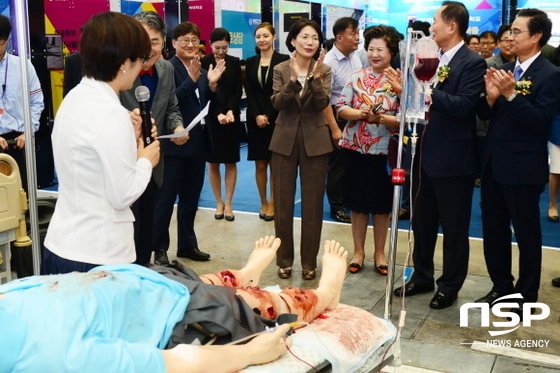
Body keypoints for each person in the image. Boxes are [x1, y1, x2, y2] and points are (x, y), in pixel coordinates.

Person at [0, 236, 348, 372]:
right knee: (255, 303)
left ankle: (245, 272)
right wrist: (252, 352)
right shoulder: (58, 358)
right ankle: (328, 293)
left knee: (201, 279)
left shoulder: (6, 300)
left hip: (133, 281)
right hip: (178, 315)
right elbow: (181, 363)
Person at [41, 12, 160, 274]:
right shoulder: (110, 112)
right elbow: (123, 194)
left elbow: (89, 161)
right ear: (122, 64)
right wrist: (145, 161)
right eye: (140, 59)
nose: (142, 66)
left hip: (63, 241)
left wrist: (130, 138)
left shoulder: (75, 98)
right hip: (98, 253)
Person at [393, 1, 486, 309]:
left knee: (455, 227)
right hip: (421, 151)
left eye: (435, 21)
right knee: (422, 222)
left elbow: (464, 105)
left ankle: (450, 284)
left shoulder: (472, 62)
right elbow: (417, 100)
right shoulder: (428, 57)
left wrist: (429, 88)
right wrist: (404, 89)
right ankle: (421, 275)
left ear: (451, 26)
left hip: (453, 158)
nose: (430, 27)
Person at [475, 9, 560, 319]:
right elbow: (485, 116)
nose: (510, 37)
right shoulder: (505, 68)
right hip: (493, 164)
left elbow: (539, 121)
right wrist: (490, 97)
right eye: (509, 31)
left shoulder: (551, 74)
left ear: (536, 36)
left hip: (523, 168)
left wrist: (511, 95)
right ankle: (500, 287)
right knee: (493, 230)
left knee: (527, 234)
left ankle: (526, 295)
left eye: (517, 31)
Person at [151, 22, 224, 265]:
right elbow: (169, 102)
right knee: (165, 200)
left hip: (197, 144)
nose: (191, 45)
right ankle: (159, 248)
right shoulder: (167, 69)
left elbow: (206, 103)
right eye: (185, 40)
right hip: (173, 146)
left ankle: (187, 245)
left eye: (195, 40)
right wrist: (191, 80)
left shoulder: (202, 69)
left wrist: (211, 85)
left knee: (190, 200)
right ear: (173, 43)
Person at [119, 11, 189, 266]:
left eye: (155, 41)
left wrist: (179, 127)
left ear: (164, 41)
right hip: (123, 162)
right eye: (142, 40)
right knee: (127, 227)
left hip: (154, 162)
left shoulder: (166, 68)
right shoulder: (119, 69)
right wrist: (130, 119)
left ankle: (143, 268)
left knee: (150, 222)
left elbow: (170, 106)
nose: (149, 48)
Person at [270, 19, 333, 281]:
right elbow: (277, 103)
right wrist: (294, 80)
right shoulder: (281, 68)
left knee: (312, 205)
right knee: (283, 204)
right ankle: (284, 261)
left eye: (315, 38)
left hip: (316, 142)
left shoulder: (325, 70)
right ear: (293, 41)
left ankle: (309, 263)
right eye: (305, 37)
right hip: (284, 141)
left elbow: (322, 103)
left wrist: (314, 79)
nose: (310, 42)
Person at [336, 25, 400, 275]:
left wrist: (381, 119)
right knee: (358, 203)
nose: (375, 54)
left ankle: (380, 253)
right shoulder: (356, 77)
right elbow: (341, 107)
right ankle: (359, 251)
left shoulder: (399, 81)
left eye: (380, 49)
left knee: (382, 205)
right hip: (355, 149)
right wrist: (360, 114)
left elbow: (405, 117)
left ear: (391, 51)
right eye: (371, 48)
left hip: (385, 152)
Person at [245, 23, 289, 222]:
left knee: (275, 164)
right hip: (255, 119)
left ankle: (273, 202)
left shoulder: (283, 60)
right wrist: (257, 115)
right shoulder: (251, 61)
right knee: (259, 164)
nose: (261, 39)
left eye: (265, 36)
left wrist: (268, 115)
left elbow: (282, 91)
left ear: (273, 38)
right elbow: (250, 91)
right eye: (258, 36)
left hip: (277, 118)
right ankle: (263, 201)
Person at [201, 28, 243, 222]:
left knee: (230, 161)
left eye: (224, 48)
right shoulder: (203, 63)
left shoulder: (234, 62)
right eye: (217, 48)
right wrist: (217, 112)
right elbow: (203, 93)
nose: (220, 51)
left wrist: (230, 110)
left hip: (231, 118)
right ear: (210, 44)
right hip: (212, 119)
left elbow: (237, 91)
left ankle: (229, 203)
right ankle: (218, 202)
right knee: (213, 162)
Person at [323, 17, 361, 224]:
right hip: (337, 118)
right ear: (339, 37)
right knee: (336, 165)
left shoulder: (355, 57)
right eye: (353, 33)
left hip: (355, 116)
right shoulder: (329, 62)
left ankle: (347, 200)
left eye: (357, 33)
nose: (357, 37)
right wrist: (334, 129)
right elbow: (324, 101)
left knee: (350, 163)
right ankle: (336, 207)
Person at [0, 14, 44, 192]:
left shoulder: (23, 66)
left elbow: (36, 102)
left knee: (21, 195)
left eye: (0, 41)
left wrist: (28, 131)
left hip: (19, 141)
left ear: (8, 40)